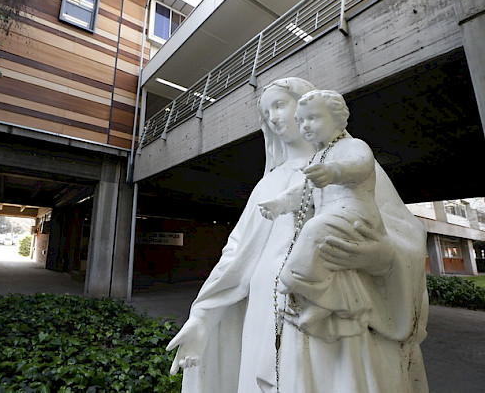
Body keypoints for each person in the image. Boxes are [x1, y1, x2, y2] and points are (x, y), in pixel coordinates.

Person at [166, 78, 429, 393]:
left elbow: (403, 234)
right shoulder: (268, 183)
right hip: (268, 309)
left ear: (307, 103)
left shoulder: (349, 163)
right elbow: (236, 253)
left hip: (338, 313)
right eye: (267, 113)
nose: (273, 117)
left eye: (280, 105)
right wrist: (203, 316)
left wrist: (380, 255)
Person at [258, 89, 384, 342]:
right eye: (301, 121)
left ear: (337, 119)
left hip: (355, 216)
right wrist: (281, 203)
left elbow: (361, 166)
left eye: (312, 118)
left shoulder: (353, 145)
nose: (305, 126)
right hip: (331, 219)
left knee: (313, 231)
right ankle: (328, 303)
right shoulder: (318, 156)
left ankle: (305, 291)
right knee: (316, 248)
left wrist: (334, 171)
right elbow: (305, 189)